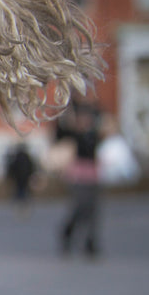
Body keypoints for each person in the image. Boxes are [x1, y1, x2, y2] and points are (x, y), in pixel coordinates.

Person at [55, 100, 101, 258]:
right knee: (79, 208)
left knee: (93, 210)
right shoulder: (72, 134)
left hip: (92, 175)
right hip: (78, 175)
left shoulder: (94, 134)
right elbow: (58, 132)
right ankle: (68, 233)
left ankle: (90, 242)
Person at [4, 142, 37, 218]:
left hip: (18, 179)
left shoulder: (15, 158)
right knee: (25, 192)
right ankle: (25, 206)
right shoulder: (28, 158)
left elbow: (11, 168)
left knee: (18, 192)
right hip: (26, 178)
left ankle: (19, 206)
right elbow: (32, 168)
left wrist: (10, 177)